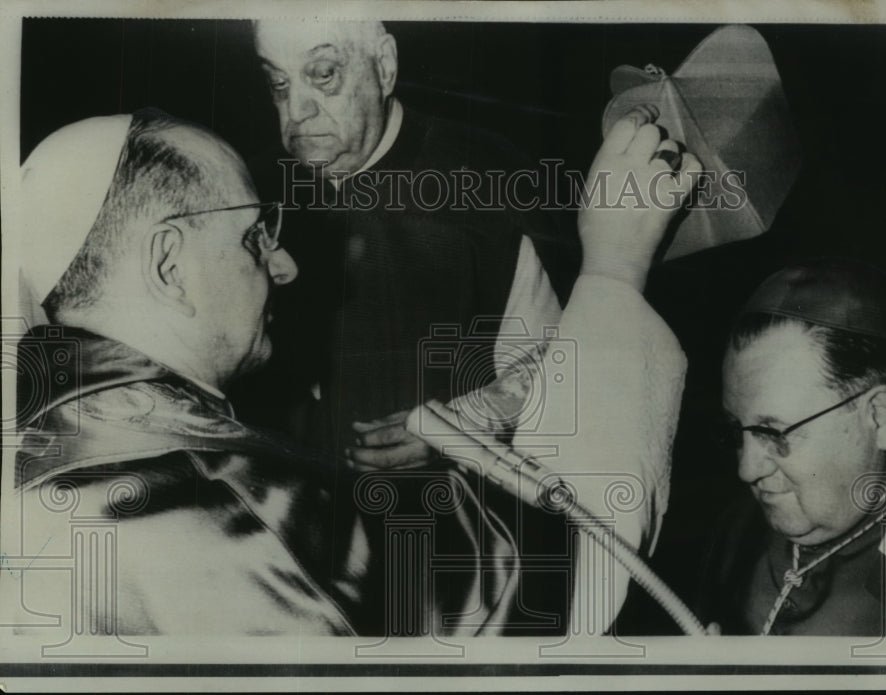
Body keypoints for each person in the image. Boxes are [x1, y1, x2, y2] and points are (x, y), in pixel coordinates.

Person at [4, 104, 700, 636]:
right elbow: (564, 573)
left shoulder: (39, 443)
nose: (284, 265)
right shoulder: (216, 493)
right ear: (168, 266)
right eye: (253, 235)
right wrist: (614, 268)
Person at [241, 19, 564, 471]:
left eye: (324, 74)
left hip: (455, 509)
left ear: (385, 67)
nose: (296, 111)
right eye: (277, 82)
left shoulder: (486, 178)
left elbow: (560, 354)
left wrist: (465, 424)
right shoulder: (248, 188)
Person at [699, 259, 886, 636]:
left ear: (879, 418)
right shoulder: (736, 532)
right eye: (736, 430)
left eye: (775, 432)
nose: (747, 470)